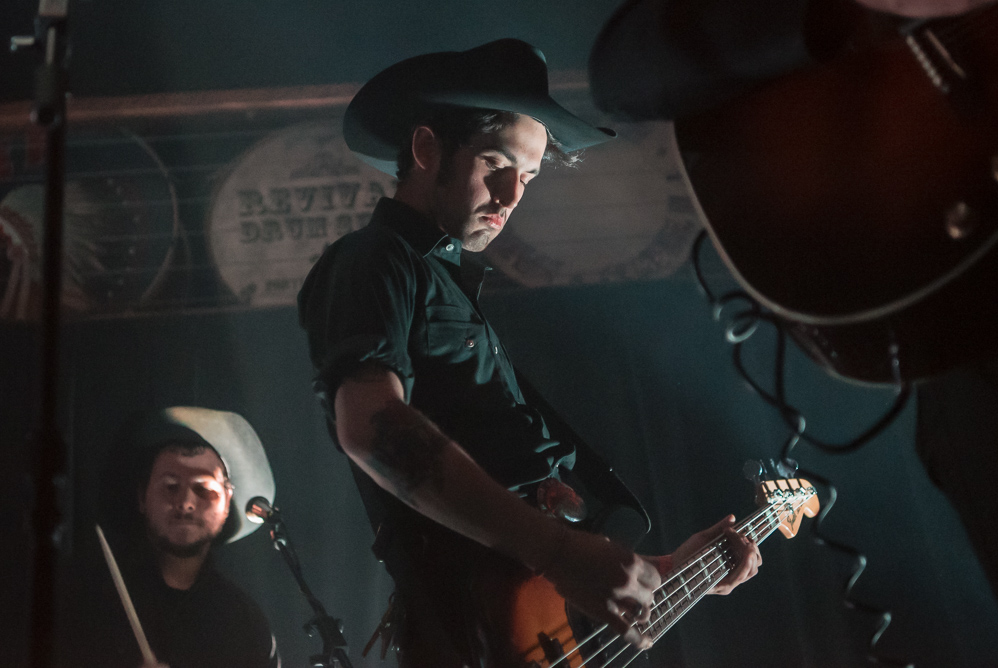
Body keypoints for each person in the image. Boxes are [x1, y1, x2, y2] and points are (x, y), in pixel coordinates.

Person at [298, 39, 761, 667]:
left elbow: (520, 522)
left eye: (531, 177)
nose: (513, 194)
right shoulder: (374, 261)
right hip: (462, 631)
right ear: (426, 149)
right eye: (496, 162)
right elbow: (373, 429)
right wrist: (562, 554)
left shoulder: (451, 287)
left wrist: (661, 571)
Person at [62, 406, 280, 668]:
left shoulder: (244, 623)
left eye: (203, 489)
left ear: (226, 506)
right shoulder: (91, 603)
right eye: (171, 487)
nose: (186, 503)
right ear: (142, 497)